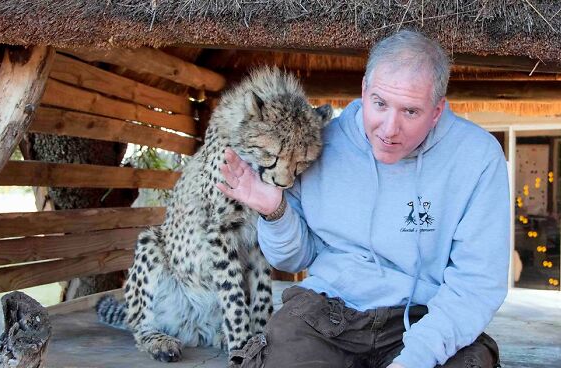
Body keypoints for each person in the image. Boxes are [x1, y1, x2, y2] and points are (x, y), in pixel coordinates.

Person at [217, 30, 510, 368]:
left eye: (410, 112)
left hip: (423, 315)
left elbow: (477, 283)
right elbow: (292, 260)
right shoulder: (319, 142)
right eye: (380, 104)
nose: (389, 128)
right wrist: (275, 211)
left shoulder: (478, 157)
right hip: (325, 314)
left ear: (437, 111)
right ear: (364, 90)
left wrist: (413, 360)